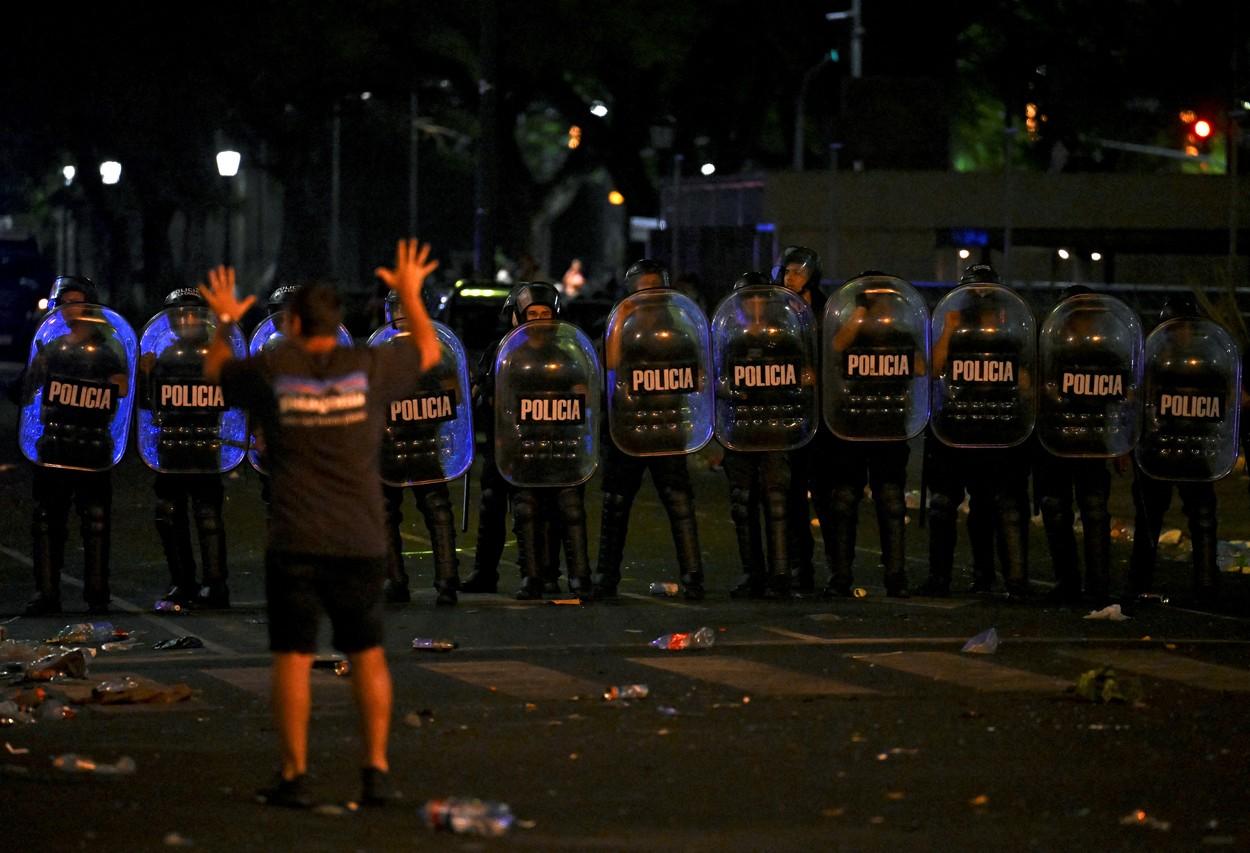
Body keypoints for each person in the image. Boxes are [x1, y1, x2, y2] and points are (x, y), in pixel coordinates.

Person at [201, 239, 440, 808]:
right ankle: (375, 770)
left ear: (288, 321)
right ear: (339, 326)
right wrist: (409, 293)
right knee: (367, 655)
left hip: (296, 537)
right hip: (360, 537)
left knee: (293, 659)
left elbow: (215, 370)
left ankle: (295, 774)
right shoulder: (368, 367)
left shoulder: (273, 368)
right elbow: (428, 349)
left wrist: (225, 319)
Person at [593, 259, 706, 600]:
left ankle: (693, 577)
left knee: (679, 502)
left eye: (656, 289)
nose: (650, 296)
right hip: (626, 426)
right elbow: (610, 366)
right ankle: (606, 577)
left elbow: (698, 374)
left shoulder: (680, 330)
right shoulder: (618, 325)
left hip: (666, 426)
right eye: (642, 290)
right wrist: (625, 313)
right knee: (616, 502)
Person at [918, 264, 1032, 599]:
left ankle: (997, 578)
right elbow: (935, 368)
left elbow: (1024, 382)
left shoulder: (1008, 339)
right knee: (942, 505)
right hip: (955, 427)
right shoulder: (954, 333)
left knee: (989, 505)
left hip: (995, 429)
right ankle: (940, 578)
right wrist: (951, 330)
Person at [21, 276, 131, 616]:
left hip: (93, 444)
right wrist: (34, 372)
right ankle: (47, 593)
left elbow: (122, 388)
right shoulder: (51, 349)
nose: (71, 309)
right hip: (54, 444)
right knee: (46, 520)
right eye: (65, 303)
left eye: (77, 301)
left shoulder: (108, 348)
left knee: (95, 521)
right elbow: (25, 392)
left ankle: (97, 594)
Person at [492, 282, 595, 601]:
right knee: (526, 510)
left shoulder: (568, 355)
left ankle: (580, 578)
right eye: (531, 314)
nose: (537, 319)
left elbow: (585, 395)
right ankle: (533, 577)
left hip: (563, 447)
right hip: (524, 448)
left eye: (543, 313)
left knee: (570, 509)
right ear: (519, 318)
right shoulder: (509, 357)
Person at [822, 274, 924, 598]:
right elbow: (837, 346)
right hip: (851, 425)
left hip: (889, 425)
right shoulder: (853, 333)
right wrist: (861, 313)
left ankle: (896, 575)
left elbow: (921, 367)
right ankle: (841, 576)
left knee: (891, 501)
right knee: (844, 501)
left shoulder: (900, 334)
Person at [1125, 294, 1222, 608]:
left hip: (1192, 448)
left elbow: (1229, 400)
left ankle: (1206, 584)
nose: (1181, 333)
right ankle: (1141, 582)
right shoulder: (1153, 360)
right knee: (1150, 516)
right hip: (1159, 448)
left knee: (1202, 516)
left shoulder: (1204, 362)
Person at [138, 288, 233, 609]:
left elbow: (232, 400)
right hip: (171, 448)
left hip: (205, 446)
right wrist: (146, 376)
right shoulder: (165, 358)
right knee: (168, 514)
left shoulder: (217, 356)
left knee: (208, 515)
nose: (186, 320)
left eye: (192, 314)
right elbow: (147, 406)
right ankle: (182, 582)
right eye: (179, 315)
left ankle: (215, 584)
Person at [375, 291, 462, 607]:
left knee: (435, 508)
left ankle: (445, 582)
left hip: (421, 441)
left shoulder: (434, 350)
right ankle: (398, 581)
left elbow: (455, 397)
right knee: (390, 512)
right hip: (394, 443)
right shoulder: (424, 350)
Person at [1033, 286, 1116, 607]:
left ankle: (1097, 586)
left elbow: (1122, 397)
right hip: (1055, 442)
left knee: (1094, 511)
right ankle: (1068, 582)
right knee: (1056, 511)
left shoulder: (1105, 353)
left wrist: (1119, 442)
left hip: (1091, 443)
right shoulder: (1048, 349)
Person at [720, 271, 794, 598]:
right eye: (749, 299)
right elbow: (717, 380)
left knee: (776, 501)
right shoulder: (730, 339)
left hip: (775, 426)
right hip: (740, 427)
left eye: (760, 298)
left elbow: (801, 379)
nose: (755, 305)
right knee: (742, 503)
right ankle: (753, 573)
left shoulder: (785, 338)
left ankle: (780, 574)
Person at [773, 246, 833, 593]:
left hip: (822, 417)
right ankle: (800, 567)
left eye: (797, 271)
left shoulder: (827, 309)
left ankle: (838, 570)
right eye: (786, 271)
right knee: (793, 497)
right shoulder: (775, 309)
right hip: (789, 413)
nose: (790, 278)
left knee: (826, 495)